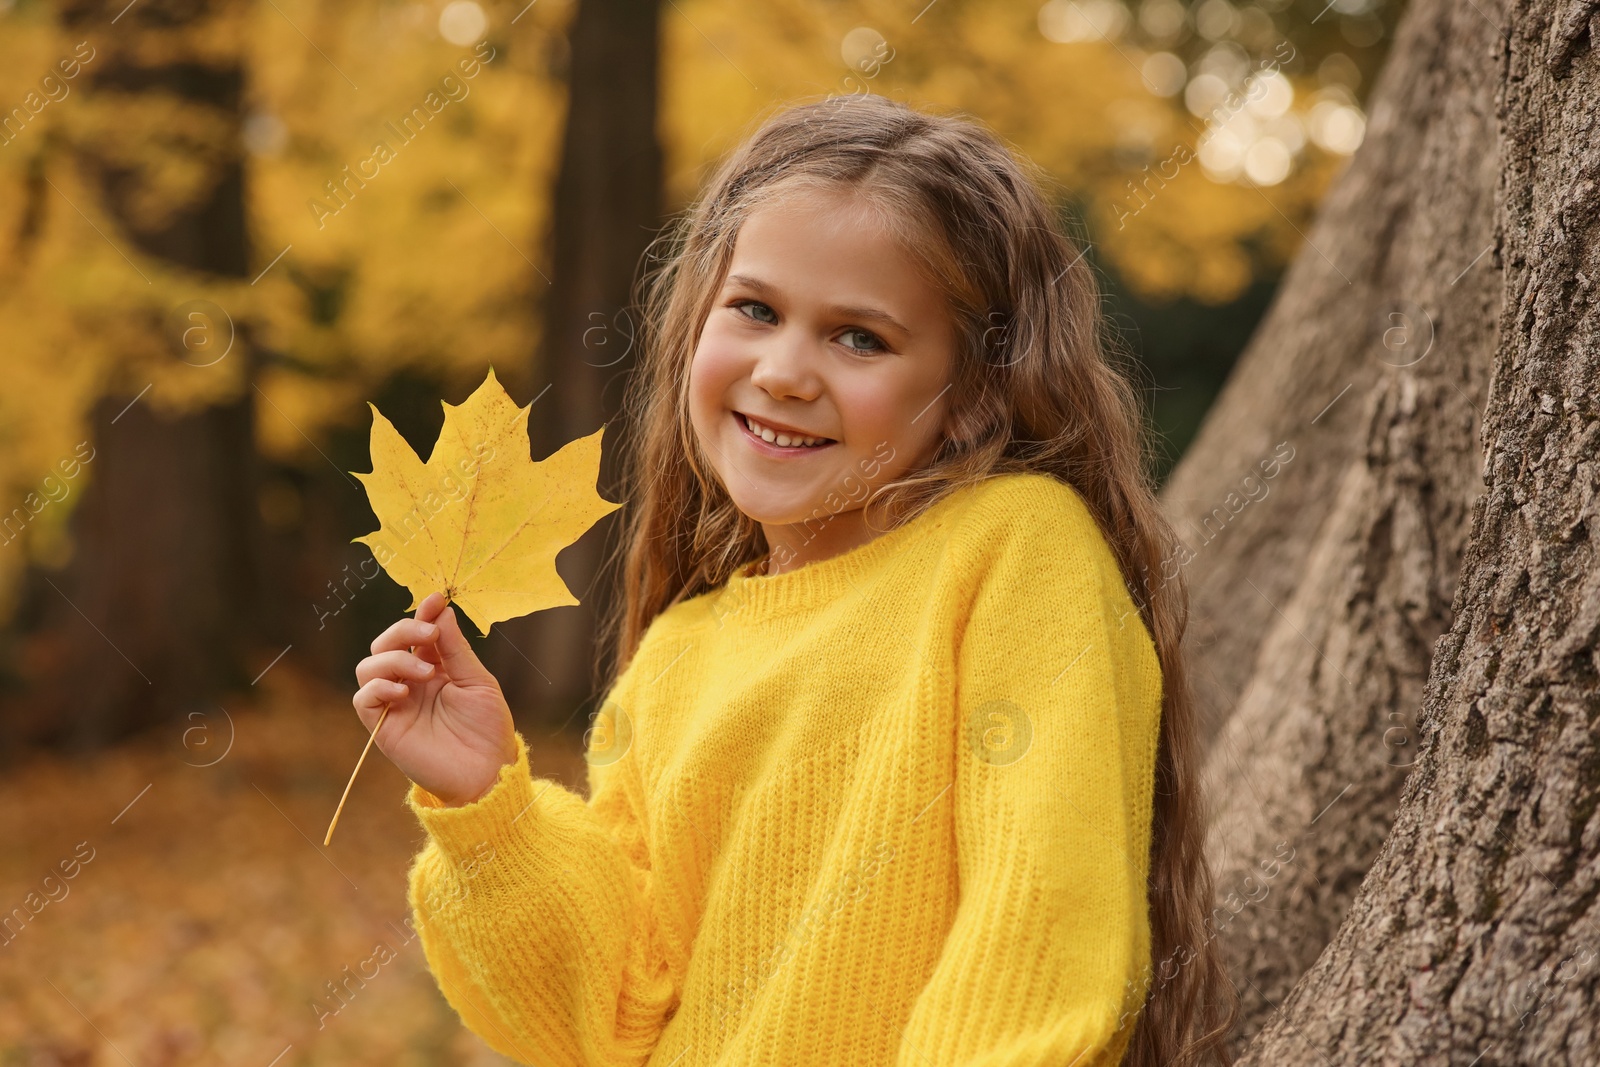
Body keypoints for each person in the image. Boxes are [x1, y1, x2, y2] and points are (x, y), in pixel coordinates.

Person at [352, 93, 1237, 1067]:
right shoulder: (680, 651)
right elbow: (611, 1018)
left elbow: (1040, 922)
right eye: (756, 310)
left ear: (974, 391)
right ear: (698, 318)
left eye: (859, 337)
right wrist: (492, 812)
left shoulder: (1013, 549)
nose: (782, 370)